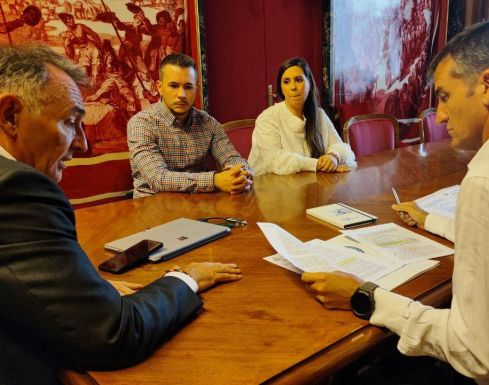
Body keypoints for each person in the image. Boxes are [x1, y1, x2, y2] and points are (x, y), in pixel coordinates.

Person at [302, 21, 489, 384]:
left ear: (488, 85)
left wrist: (365, 296)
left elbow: (476, 352)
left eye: (445, 96)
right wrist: (431, 220)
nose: (441, 114)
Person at [0, 43, 242, 385]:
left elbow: (20, 279)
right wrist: (188, 278)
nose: (83, 144)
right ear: (10, 116)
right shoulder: (17, 191)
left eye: (189, 86)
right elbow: (113, 333)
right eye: (70, 122)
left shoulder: (209, 122)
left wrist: (238, 171)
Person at [127, 53, 252, 198]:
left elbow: (231, 157)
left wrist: (242, 171)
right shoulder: (141, 124)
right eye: (174, 86)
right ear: (159, 87)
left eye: (188, 87)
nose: (182, 94)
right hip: (153, 208)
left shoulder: (208, 123)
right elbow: (158, 178)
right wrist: (214, 180)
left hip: (200, 204)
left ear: (196, 88)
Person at [248, 57, 356, 176]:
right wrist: (318, 164)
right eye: (286, 82)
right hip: (269, 188)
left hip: (310, 184)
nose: (293, 87)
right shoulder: (268, 117)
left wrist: (334, 156)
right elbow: (274, 159)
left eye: (298, 80)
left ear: (309, 83)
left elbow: (344, 148)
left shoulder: (319, 115)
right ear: (281, 89)